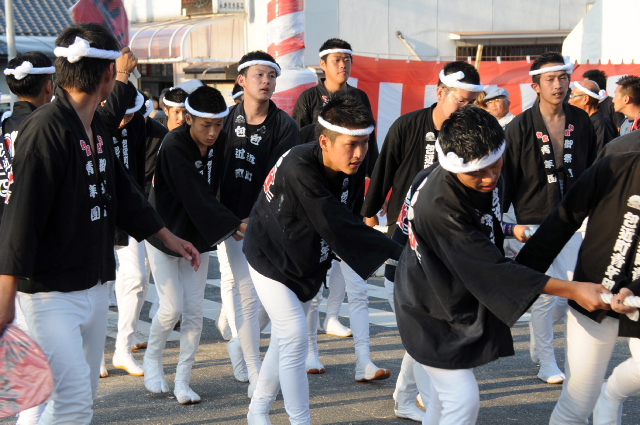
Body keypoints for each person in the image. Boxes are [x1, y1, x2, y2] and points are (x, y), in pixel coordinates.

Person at [0, 23, 200, 425]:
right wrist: (4, 303)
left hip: (94, 282)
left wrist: (166, 236)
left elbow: (123, 191)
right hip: (51, 292)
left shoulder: (94, 126)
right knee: (72, 402)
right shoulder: (46, 127)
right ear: (109, 74)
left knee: (80, 400)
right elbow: (21, 216)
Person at [394, 105, 608, 425]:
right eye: (477, 173)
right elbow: (493, 270)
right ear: (452, 165)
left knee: (441, 401)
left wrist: (510, 229)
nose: (489, 178)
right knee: (462, 399)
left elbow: (483, 223)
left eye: (494, 166)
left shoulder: (484, 171)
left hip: (449, 292)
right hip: (427, 305)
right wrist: (574, 289)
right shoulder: (439, 205)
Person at [243, 93, 403, 425]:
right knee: (294, 337)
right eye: (351, 145)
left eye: (364, 143)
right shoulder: (299, 165)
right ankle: (299, 420)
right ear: (325, 141)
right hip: (269, 255)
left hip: (307, 259)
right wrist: (399, 251)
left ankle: (257, 410)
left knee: (286, 339)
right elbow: (334, 220)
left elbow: (350, 216)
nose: (359, 153)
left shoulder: (351, 166)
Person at [515, 151, 640, 425]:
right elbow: (559, 225)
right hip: (592, 292)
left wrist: (634, 289)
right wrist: (515, 285)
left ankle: (612, 394)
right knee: (577, 402)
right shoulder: (613, 167)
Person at [143, 85, 246, 404]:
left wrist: (239, 217)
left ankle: (183, 381)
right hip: (164, 233)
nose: (213, 132)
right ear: (188, 118)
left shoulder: (222, 141)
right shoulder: (174, 145)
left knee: (194, 311)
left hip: (197, 235)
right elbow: (195, 194)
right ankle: (152, 360)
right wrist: (232, 224)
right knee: (171, 308)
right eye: (206, 125)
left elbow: (227, 185)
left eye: (219, 125)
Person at [503, 52, 598, 384]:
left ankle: (541, 343)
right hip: (533, 217)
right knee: (545, 294)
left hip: (574, 216)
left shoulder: (581, 120)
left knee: (570, 292)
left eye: (563, 78)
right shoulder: (518, 127)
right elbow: (507, 178)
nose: (558, 85)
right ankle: (546, 361)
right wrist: (504, 224)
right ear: (535, 86)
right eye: (550, 79)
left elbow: (591, 167)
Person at [220, 50, 299, 397]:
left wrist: (257, 218)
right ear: (241, 80)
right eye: (259, 75)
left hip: (268, 221)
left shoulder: (285, 126)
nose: (266, 81)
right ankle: (255, 372)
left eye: (272, 76)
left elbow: (281, 178)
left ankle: (240, 344)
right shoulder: (225, 120)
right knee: (247, 296)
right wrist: (227, 221)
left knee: (275, 298)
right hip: (230, 223)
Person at [362, 60, 484, 232]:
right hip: (403, 220)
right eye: (461, 101)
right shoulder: (407, 125)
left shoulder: (473, 133)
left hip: (450, 223)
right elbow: (383, 171)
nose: (466, 109)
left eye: (471, 103)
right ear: (440, 93)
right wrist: (370, 213)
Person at [1, 52, 55, 220]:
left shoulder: (5, 125)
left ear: (11, 88)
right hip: (34, 223)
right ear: (49, 86)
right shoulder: (50, 127)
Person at [568, 79, 618, 151]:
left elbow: (600, 154)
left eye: (572, 96)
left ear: (585, 99)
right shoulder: (586, 121)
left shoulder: (601, 124)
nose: (569, 101)